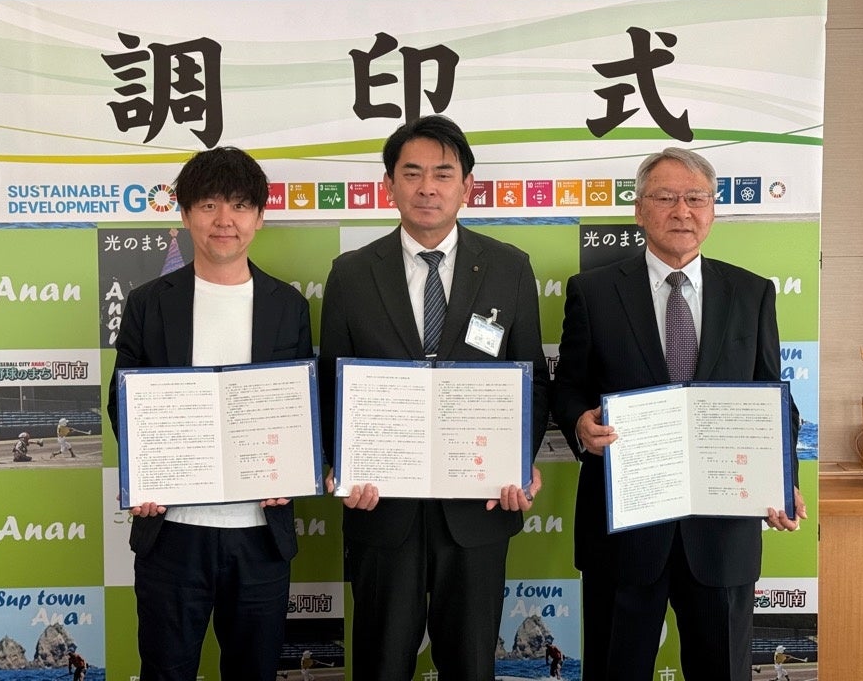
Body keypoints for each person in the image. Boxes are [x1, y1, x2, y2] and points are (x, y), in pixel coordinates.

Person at [551, 147, 807, 681]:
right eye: (666, 197)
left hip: (722, 531)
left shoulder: (751, 292)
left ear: (712, 209)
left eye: (696, 198)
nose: (682, 211)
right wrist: (579, 422)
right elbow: (569, 386)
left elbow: (773, 399)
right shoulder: (593, 292)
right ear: (639, 209)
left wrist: (782, 480)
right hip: (624, 530)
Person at [318, 115, 549, 681]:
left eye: (443, 174)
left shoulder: (510, 268)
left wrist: (518, 462)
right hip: (381, 506)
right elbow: (331, 384)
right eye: (412, 173)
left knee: (471, 665)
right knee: (380, 663)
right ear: (389, 185)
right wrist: (340, 467)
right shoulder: (350, 274)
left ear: (466, 186)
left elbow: (533, 380)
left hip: (479, 506)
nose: (427, 188)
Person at [106, 146, 313, 681]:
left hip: (260, 533)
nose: (225, 220)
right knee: (166, 671)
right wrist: (145, 472)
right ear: (185, 214)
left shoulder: (287, 305)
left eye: (240, 205)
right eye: (209, 205)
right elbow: (122, 401)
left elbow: (299, 406)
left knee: (255, 671)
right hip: (172, 531)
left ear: (259, 217)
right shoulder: (149, 302)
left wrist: (291, 470)